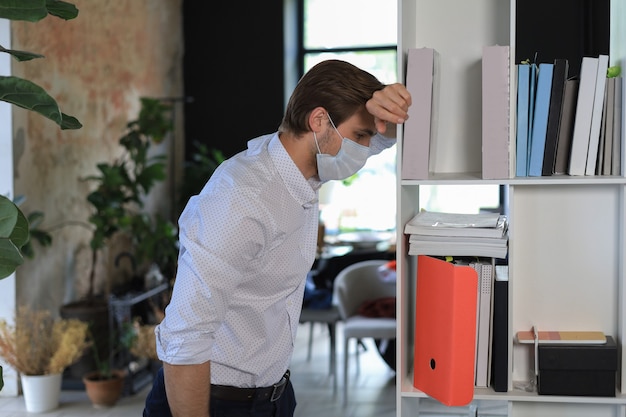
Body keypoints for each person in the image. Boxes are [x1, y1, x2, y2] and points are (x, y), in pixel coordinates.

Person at [143, 59, 411, 417]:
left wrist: (390, 110)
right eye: (360, 136)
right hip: (214, 402)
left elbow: (380, 138)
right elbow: (184, 337)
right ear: (318, 121)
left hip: (274, 397)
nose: (366, 148)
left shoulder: (304, 170)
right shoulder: (242, 199)